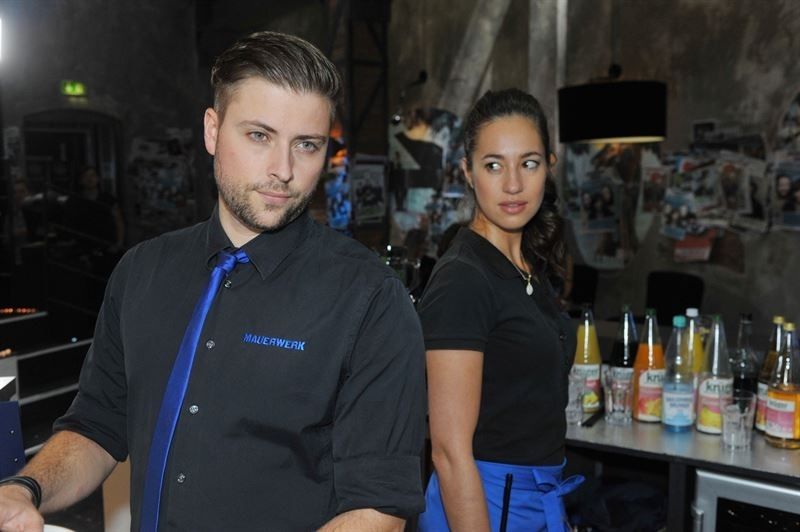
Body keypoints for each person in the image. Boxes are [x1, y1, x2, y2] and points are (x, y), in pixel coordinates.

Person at [0, 31, 425, 531]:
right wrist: (25, 488)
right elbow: (96, 426)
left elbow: (377, 507)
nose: (283, 170)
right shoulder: (141, 271)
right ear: (212, 130)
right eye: (259, 136)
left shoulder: (370, 299)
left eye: (307, 145)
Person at [416, 89, 582, 531]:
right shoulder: (463, 279)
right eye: (493, 165)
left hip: (534, 496)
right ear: (468, 172)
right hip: (485, 503)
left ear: (549, 165)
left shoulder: (525, 264)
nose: (513, 184)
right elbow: (449, 452)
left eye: (528, 163)